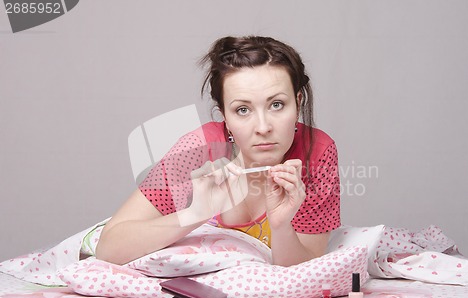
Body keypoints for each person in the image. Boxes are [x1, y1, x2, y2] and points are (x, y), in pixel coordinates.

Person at [95, 36, 341, 266]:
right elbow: (108, 248)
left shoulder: (317, 153)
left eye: (277, 105)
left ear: (298, 103)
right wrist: (195, 213)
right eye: (242, 110)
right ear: (224, 114)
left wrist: (281, 226)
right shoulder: (197, 150)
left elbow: (305, 269)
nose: (263, 127)